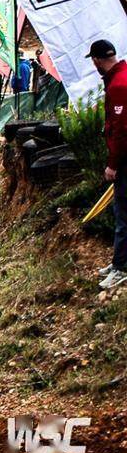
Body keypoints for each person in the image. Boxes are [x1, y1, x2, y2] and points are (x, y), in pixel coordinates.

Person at [90, 40, 127, 289]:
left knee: (123, 214)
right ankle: (119, 261)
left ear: (96, 60)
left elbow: (122, 130)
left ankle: (121, 267)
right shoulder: (121, 77)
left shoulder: (119, 85)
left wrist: (112, 164)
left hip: (124, 160)